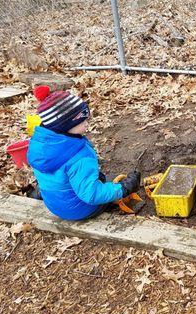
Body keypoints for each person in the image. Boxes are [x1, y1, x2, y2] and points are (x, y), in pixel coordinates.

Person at [27, 85, 140, 221]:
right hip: (79, 210)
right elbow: (91, 195)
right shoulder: (79, 157)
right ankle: (109, 202)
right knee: (102, 181)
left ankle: (40, 194)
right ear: (65, 125)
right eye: (82, 120)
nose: (87, 123)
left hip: (53, 204)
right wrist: (124, 188)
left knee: (63, 177)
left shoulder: (40, 143)